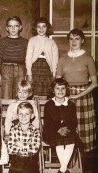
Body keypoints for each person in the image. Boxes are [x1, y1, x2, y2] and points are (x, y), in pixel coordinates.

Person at [56, 28, 97, 170]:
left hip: (84, 98)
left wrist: (78, 95)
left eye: (77, 38)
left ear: (82, 40)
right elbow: (58, 82)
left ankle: (83, 168)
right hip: (66, 97)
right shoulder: (62, 59)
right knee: (67, 131)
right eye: (71, 39)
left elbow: (95, 83)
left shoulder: (88, 58)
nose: (74, 42)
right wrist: (65, 95)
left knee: (84, 135)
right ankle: (67, 166)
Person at [43, 78, 79, 173]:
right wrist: (58, 129)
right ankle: (64, 169)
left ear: (66, 90)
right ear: (53, 90)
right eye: (57, 88)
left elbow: (74, 122)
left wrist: (67, 129)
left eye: (63, 88)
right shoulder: (49, 105)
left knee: (71, 141)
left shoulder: (71, 105)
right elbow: (47, 122)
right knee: (58, 141)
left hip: (68, 130)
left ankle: (62, 169)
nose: (60, 91)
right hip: (52, 131)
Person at [25, 17, 59, 98]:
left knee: (45, 93)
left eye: (44, 26)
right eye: (39, 27)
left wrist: (54, 73)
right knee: (34, 93)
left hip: (46, 69)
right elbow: (28, 58)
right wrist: (29, 74)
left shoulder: (51, 42)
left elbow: (55, 59)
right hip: (35, 68)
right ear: (35, 28)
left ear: (47, 28)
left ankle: (43, 110)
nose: (41, 29)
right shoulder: (32, 40)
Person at [0, 16, 28, 99]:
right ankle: (6, 111)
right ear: (7, 28)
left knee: (19, 93)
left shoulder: (25, 42)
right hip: (6, 68)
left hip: (21, 69)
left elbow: (27, 59)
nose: (13, 28)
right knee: (6, 94)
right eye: (10, 26)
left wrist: (27, 73)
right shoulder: (3, 41)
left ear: (20, 27)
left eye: (16, 26)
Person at [7, 102, 41, 173]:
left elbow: (35, 149)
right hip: (16, 162)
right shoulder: (13, 129)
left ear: (32, 116)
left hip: (31, 162)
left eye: (27, 114)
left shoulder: (36, 131)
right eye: (21, 114)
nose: (23, 116)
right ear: (17, 115)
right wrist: (28, 146)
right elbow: (10, 149)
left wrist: (21, 145)